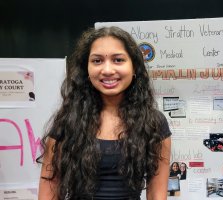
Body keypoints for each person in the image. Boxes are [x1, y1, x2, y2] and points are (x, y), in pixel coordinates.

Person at [37, 26, 172, 200]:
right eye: (97, 61)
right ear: (86, 69)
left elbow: (156, 194)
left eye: (118, 60)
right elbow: (51, 187)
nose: (107, 70)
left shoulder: (154, 122)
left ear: (134, 68)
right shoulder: (67, 120)